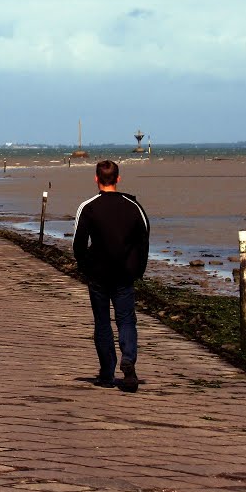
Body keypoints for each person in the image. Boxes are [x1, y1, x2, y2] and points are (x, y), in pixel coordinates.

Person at [73, 159, 150, 392]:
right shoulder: (133, 206)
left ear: (97, 179)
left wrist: (85, 266)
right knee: (126, 319)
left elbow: (78, 244)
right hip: (124, 273)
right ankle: (128, 358)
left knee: (103, 322)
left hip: (99, 273)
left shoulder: (88, 207)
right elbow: (144, 241)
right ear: (118, 178)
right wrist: (139, 269)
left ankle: (107, 372)